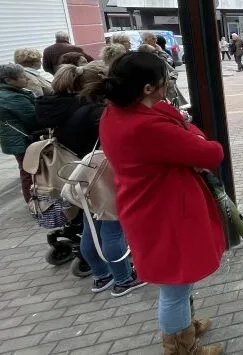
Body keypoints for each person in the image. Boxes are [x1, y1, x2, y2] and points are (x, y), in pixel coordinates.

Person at [90, 51, 224, 353]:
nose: (167, 84)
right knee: (175, 287)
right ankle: (181, 347)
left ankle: (185, 327)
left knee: (179, 281)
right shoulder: (147, 126)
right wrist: (192, 134)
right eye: (164, 80)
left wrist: (185, 132)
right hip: (165, 213)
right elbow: (211, 153)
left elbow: (184, 136)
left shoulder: (116, 113)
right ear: (148, 87)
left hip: (149, 207)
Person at [35, 63, 147, 296]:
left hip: (82, 175)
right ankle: (123, 279)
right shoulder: (99, 113)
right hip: (103, 176)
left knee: (91, 227)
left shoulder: (71, 108)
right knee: (112, 229)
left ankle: (100, 275)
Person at [0, 64, 39, 204]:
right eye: (22, 76)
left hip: (16, 140)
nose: (27, 78)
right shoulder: (12, 97)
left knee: (26, 171)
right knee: (29, 172)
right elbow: (34, 119)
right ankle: (33, 203)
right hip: (23, 140)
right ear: (8, 80)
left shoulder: (9, 93)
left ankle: (34, 202)